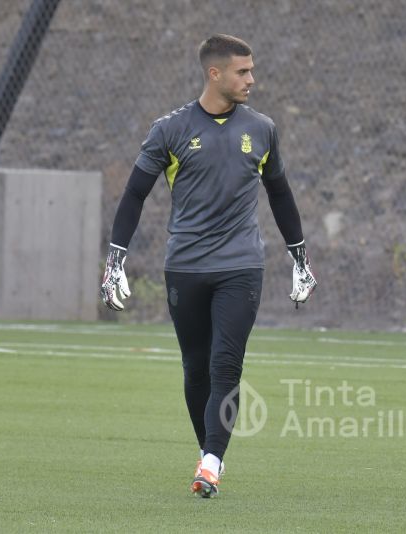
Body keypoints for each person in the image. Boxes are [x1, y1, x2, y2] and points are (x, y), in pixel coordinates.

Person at [100, 34, 317, 498]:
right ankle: (209, 454)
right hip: (185, 268)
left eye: (252, 70)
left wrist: (299, 256)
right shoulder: (170, 130)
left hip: (242, 266)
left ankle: (212, 463)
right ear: (214, 74)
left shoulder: (262, 129)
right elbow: (135, 193)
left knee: (225, 366)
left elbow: (280, 193)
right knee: (196, 369)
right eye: (243, 71)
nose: (251, 79)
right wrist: (115, 260)